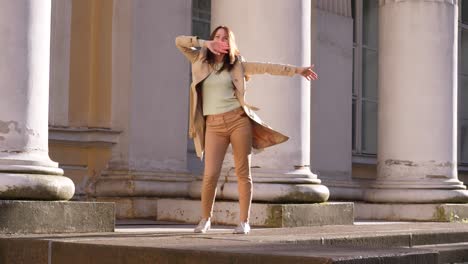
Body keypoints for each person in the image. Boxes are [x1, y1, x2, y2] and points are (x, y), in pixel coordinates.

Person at [175, 25, 317, 235]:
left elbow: (267, 67)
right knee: (210, 174)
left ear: (230, 43)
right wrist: (205, 43)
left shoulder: (238, 65)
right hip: (213, 126)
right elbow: (179, 41)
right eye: (217, 37)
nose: (220, 40)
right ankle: (205, 219)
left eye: (225, 38)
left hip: (238, 121)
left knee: (243, 173)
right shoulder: (199, 61)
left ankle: (243, 222)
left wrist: (297, 70)